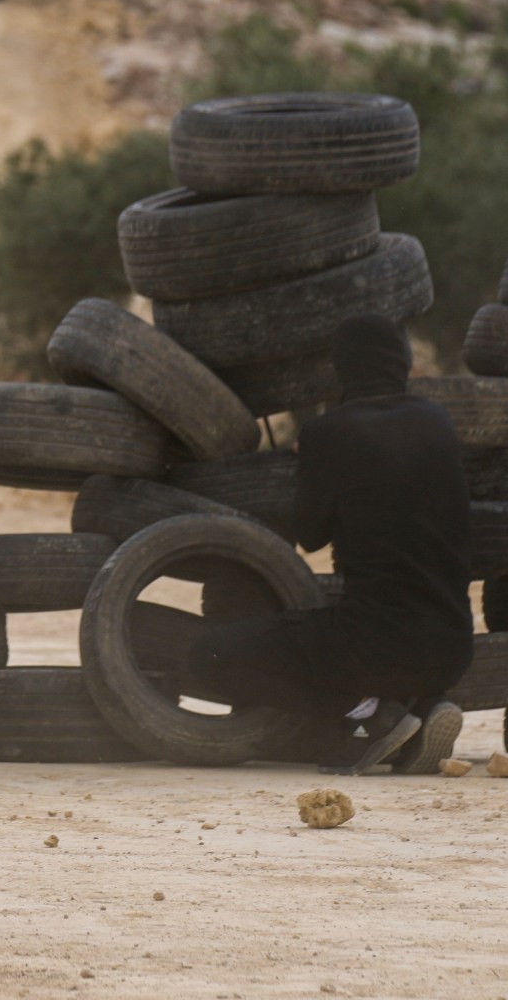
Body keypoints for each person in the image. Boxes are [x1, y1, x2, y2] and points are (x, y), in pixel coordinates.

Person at [189, 314, 474, 776]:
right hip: (453, 647)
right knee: (386, 632)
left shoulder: (330, 433)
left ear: (342, 368)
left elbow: (311, 534)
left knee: (210, 656)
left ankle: (370, 713)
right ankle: (417, 706)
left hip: (373, 645)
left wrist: (308, 463)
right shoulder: (437, 422)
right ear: (401, 362)